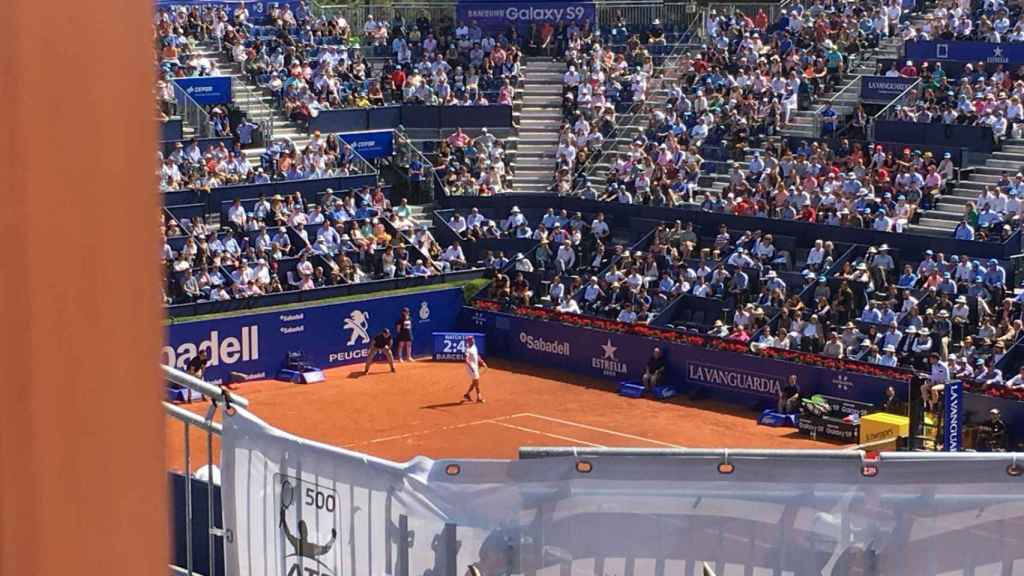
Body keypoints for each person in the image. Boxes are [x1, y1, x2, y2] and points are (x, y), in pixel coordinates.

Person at [461, 335, 487, 403]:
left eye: (473, 339)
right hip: (471, 368)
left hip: (475, 366)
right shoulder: (468, 349)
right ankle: (479, 397)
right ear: (469, 341)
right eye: (471, 340)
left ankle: (467, 394)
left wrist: (482, 362)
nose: (473, 340)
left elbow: (477, 355)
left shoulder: (474, 346)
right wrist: (471, 367)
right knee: (477, 382)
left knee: (474, 382)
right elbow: (466, 360)